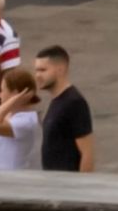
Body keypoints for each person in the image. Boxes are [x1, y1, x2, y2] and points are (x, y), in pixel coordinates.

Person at [34, 45, 95, 173]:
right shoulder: (56, 100)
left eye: (43, 70)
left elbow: (87, 153)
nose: (37, 75)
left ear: (60, 70)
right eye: (36, 70)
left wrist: (83, 188)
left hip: (67, 187)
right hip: (54, 185)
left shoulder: (74, 102)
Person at [0, 63, 40, 170]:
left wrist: (12, 101)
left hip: (9, 180)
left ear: (15, 94)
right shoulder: (7, 115)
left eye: (2, 90)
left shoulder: (26, 121)